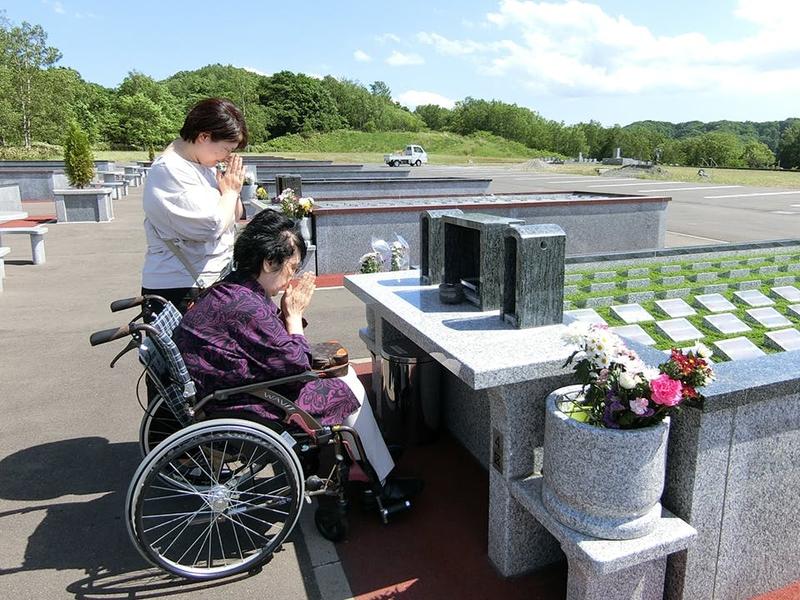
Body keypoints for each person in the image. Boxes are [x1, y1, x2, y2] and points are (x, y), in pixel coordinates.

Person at [172, 210, 422, 502]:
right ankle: (380, 478)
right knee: (346, 386)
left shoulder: (234, 288)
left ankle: (368, 452)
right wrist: (293, 316)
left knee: (347, 375)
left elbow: (268, 346)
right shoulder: (246, 305)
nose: (291, 276)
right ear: (268, 262)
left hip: (223, 391)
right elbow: (295, 363)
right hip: (244, 402)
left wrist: (288, 317)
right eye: (291, 267)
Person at [141, 97, 248, 313]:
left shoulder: (202, 164)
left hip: (207, 279)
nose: (227, 157)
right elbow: (213, 225)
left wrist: (231, 191)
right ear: (204, 136)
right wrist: (230, 192)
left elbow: (234, 216)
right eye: (226, 149)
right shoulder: (170, 171)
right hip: (180, 287)